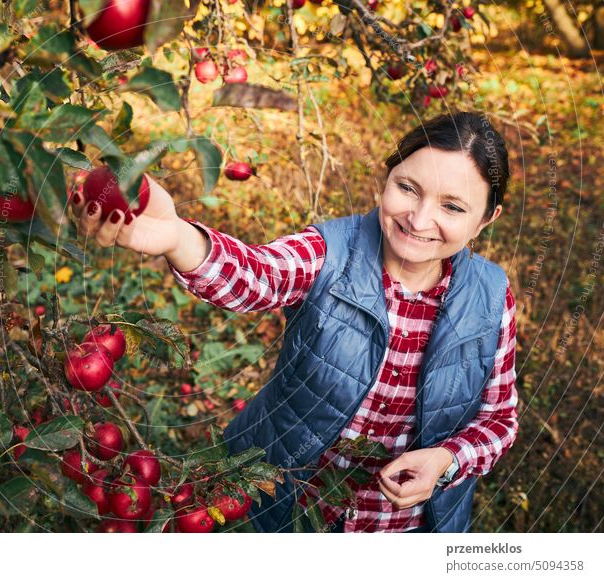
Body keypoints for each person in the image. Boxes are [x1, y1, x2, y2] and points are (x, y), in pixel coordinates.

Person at [69, 111, 519, 533]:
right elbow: (255, 276)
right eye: (408, 187)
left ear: (486, 219)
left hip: (407, 527)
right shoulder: (330, 253)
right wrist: (177, 236)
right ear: (388, 175)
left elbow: (498, 420)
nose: (420, 219)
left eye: (453, 207)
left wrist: (447, 458)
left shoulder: (492, 299)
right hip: (287, 507)